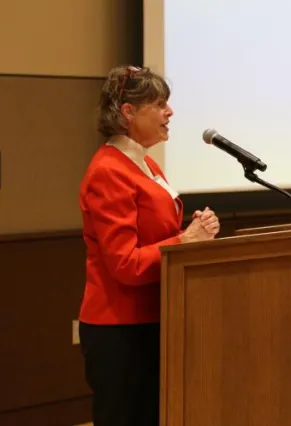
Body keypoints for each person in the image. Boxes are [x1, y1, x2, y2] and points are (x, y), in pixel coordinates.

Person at [77, 65, 220, 426]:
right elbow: (124, 262)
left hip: (152, 320)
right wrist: (184, 241)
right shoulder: (109, 171)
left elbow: (155, 237)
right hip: (120, 329)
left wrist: (194, 231)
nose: (169, 113)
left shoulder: (145, 162)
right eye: (159, 104)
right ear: (128, 112)